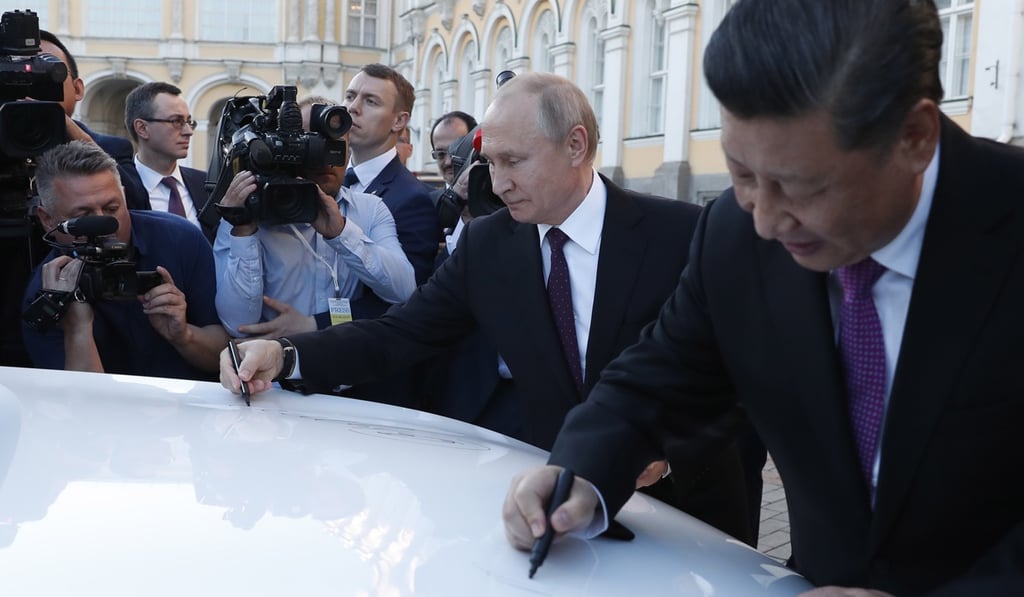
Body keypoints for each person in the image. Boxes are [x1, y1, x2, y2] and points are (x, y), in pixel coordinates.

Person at [501, 1, 1024, 595]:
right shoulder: (733, 233)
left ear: (915, 137)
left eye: (802, 187)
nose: (769, 221)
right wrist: (579, 475)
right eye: (741, 174)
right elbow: (661, 380)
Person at [219, 72, 753, 543]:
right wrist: (284, 352)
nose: (497, 184)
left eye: (513, 162)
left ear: (575, 144)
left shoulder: (683, 234)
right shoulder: (489, 245)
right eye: (489, 163)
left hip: (685, 517)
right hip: (555, 517)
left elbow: (740, 377)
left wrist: (663, 452)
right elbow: (399, 335)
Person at [213, 95, 416, 339]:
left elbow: (404, 291)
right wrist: (244, 230)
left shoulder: (370, 210)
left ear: (349, 147)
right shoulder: (248, 213)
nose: (323, 157)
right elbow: (237, 323)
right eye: (310, 143)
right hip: (275, 372)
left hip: (347, 370)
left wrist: (341, 233)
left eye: (334, 146)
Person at [21, 140, 228, 380]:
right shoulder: (45, 295)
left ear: (125, 197)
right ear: (48, 220)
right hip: (106, 415)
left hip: (191, 408)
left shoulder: (179, 241)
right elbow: (80, 404)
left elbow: (226, 356)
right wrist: (78, 329)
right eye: (83, 216)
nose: (105, 225)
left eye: (111, 208)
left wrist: (183, 335)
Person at [342, 63, 439, 297]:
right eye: (350, 96)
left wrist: (313, 323)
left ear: (399, 121)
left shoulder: (412, 200)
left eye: (370, 101)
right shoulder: (329, 181)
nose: (353, 108)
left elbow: (404, 301)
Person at [119, 82, 216, 243]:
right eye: (176, 121)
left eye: (189, 122)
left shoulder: (207, 185)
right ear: (142, 128)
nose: (188, 132)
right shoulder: (120, 191)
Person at [39, 30, 134, 165]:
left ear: (77, 89)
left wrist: (85, 145)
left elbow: (122, 186)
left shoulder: (112, 150)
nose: (33, 92)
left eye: (48, 75)